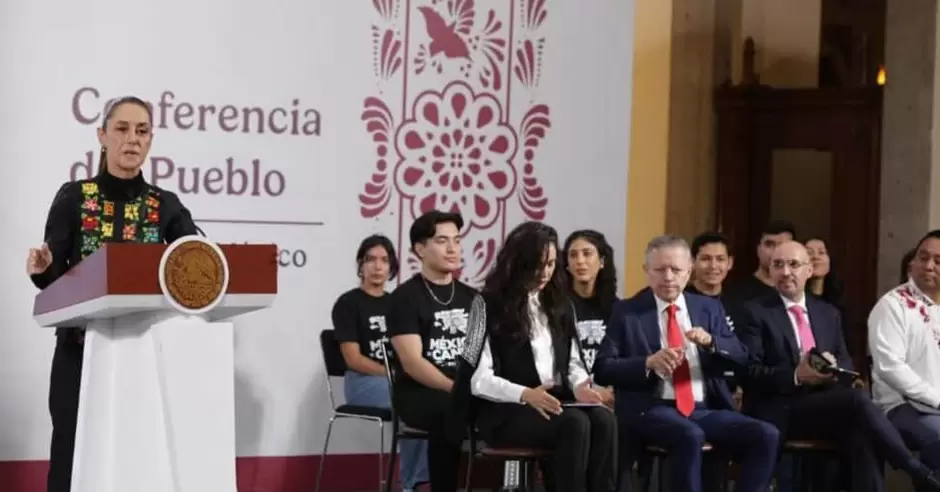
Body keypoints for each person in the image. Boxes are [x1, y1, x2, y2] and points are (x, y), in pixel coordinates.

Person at [26, 96, 198, 492]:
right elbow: (54, 276)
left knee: (137, 461)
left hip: (144, 357)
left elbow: (194, 263)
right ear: (102, 136)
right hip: (79, 354)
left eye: (142, 131)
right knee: (71, 458)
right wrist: (44, 268)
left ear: (151, 140)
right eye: (122, 129)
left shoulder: (165, 205)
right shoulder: (75, 197)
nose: (132, 139)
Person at [736, 240, 940, 492]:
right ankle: (917, 470)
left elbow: (845, 363)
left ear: (809, 270)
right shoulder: (754, 312)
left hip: (822, 403)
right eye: (778, 265)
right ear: (770, 270)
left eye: (793, 264)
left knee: (862, 431)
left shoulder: (826, 312)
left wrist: (832, 372)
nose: (786, 272)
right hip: (779, 406)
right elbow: (749, 372)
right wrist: (797, 375)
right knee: (857, 401)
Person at [594, 235, 779, 492]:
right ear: (647, 271)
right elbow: (603, 368)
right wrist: (647, 363)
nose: (669, 277)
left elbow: (741, 356)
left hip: (704, 408)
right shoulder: (628, 311)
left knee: (767, 434)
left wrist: (712, 343)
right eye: (660, 270)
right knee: (690, 435)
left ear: (689, 271)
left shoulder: (708, 307)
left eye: (676, 270)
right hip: (653, 407)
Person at [465, 222, 617, 492]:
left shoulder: (560, 303)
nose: (545, 272)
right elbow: (478, 379)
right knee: (575, 423)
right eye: (538, 265)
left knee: (604, 419)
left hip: (555, 402)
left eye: (550, 264)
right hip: (507, 411)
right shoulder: (486, 304)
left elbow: (573, 362)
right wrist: (525, 394)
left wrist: (581, 387)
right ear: (518, 262)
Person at [386, 210, 476, 492]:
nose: (452, 248)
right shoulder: (404, 298)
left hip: (466, 386)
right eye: (442, 241)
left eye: (457, 240)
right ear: (420, 249)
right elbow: (413, 363)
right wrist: (457, 389)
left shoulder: (474, 298)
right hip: (419, 391)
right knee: (449, 409)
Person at [331, 234, 428, 491]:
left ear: (392, 266)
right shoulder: (348, 303)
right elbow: (353, 359)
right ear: (360, 265)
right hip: (362, 383)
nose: (377, 267)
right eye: (370, 260)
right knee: (412, 402)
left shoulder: (400, 303)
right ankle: (411, 485)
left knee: (431, 402)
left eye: (384, 260)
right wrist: (392, 373)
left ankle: (417, 481)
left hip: (399, 381)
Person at [870, 230, 940, 490]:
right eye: (923, 257)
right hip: (901, 407)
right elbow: (890, 367)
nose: (928, 266)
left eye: (938, 261)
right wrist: (937, 399)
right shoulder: (893, 305)